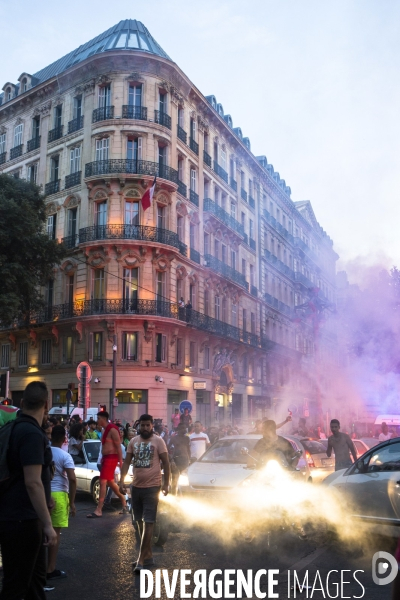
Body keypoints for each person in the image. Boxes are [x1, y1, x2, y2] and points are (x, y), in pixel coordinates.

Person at [0, 381, 57, 599]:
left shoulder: (14, 428)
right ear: (46, 404)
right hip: (22, 519)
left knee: (35, 581)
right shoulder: (31, 434)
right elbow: (32, 482)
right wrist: (48, 525)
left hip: (17, 517)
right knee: (16, 585)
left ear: (22, 403)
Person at [119, 414, 170, 572]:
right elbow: (127, 462)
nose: (145, 428)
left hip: (152, 487)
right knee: (138, 522)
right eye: (143, 425)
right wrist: (122, 481)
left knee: (149, 521)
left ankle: (140, 559)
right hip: (136, 487)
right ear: (138, 426)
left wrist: (166, 483)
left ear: (152, 426)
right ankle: (148, 556)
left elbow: (166, 463)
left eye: (148, 425)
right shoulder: (133, 442)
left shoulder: (158, 441)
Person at [47, 425, 77, 580]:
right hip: (59, 495)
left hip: (44, 494)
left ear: (51, 437)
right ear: (65, 439)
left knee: (41, 532)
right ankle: (50, 569)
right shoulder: (65, 456)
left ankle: (38, 568)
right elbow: (72, 479)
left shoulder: (45, 452)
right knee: (55, 534)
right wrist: (72, 502)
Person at [87, 411, 127, 518]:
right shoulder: (104, 430)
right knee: (110, 483)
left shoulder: (113, 429)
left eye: (99, 418)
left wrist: (121, 462)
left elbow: (119, 447)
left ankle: (99, 509)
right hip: (106, 459)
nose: (97, 420)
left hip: (111, 459)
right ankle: (124, 501)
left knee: (103, 481)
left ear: (104, 418)